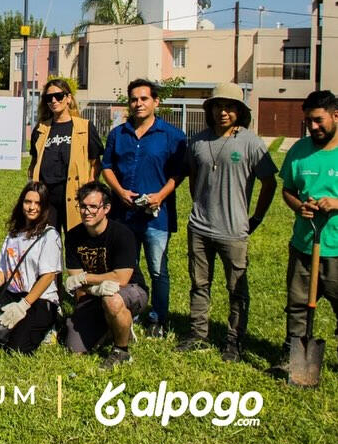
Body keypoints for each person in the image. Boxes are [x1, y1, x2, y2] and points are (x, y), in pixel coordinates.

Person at [177, 82, 277, 361]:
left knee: (236, 289)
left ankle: (234, 341)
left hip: (233, 230)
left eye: (230, 107)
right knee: (199, 283)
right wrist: (198, 205)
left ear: (239, 111)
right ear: (210, 110)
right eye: (218, 106)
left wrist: (255, 217)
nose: (223, 112)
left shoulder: (251, 142)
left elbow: (269, 183)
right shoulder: (197, 141)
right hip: (199, 227)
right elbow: (194, 177)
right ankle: (198, 334)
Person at [101, 78, 187, 337]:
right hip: (123, 215)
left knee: (158, 269)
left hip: (155, 218)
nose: (138, 104)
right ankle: (132, 310)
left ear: (156, 102)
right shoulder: (118, 134)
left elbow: (179, 173)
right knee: (128, 268)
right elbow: (107, 167)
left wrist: (160, 195)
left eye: (144, 98)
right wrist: (119, 191)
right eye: (134, 99)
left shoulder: (172, 136)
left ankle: (158, 317)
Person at [0, 181, 62, 353]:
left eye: (38, 203)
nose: (32, 207)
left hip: (38, 298)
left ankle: (49, 326)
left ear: (45, 206)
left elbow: (48, 277)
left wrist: (24, 305)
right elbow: (4, 269)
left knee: (16, 348)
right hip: (12, 293)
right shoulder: (14, 233)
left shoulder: (50, 235)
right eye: (28, 202)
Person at [279, 90, 338, 365]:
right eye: (308, 122)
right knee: (297, 307)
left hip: (337, 249)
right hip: (304, 245)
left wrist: (337, 202)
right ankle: (294, 357)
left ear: (336, 116)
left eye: (318, 120)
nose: (312, 127)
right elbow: (288, 190)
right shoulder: (299, 150)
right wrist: (298, 206)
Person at [63, 181, 148, 369]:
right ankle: (112, 326)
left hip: (130, 289)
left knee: (112, 300)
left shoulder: (122, 234)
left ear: (106, 208)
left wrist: (87, 279)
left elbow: (122, 278)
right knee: (74, 348)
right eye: (83, 206)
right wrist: (90, 285)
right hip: (93, 294)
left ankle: (121, 350)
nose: (87, 212)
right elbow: (75, 280)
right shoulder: (73, 236)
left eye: (93, 207)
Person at [29, 78, 104, 236]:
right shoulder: (41, 129)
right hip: (47, 197)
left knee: (77, 243)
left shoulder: (85, 127)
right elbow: (34, 162)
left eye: (58, 96)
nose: (54, 100)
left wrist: (90, 187)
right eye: (49, 98)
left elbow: (95, 162)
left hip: (75, 196)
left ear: (69, 98)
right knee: (47, 243)